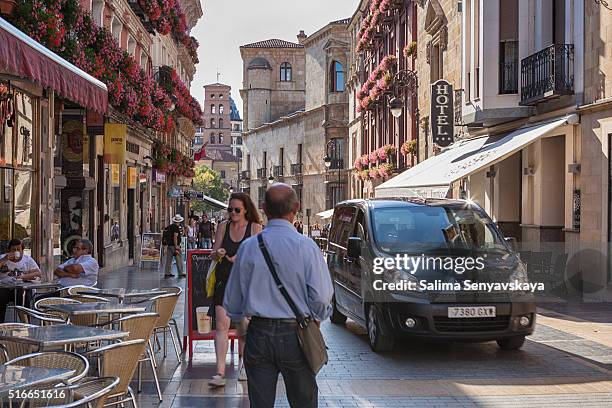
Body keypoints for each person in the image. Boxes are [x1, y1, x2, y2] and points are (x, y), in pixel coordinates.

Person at [224, 183, 333, 407]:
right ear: (297, 208)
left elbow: (232, 300)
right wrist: (315, 318)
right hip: (296, 334)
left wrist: (242, 321)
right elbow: (322, 297)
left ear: (264, 208)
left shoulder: (249, 247)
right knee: (304, 401)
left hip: (259, 333)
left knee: (260, 402)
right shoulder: (307, 247)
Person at [208, 192, 262, 387]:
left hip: (246, 283)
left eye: (236, 210)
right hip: (224, 281)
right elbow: (213, 254)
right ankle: (220, 372)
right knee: (221, 325)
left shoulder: (255, 228)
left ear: (246, 209)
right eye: (230, 209)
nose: (232, 213)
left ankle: (245, 367)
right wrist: (218, 253)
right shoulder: (223, 227)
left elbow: (261, 256)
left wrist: (243, 258)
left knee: (244, 327)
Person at [0, 239, 42, 323]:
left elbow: (38, 273)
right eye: (13, 250)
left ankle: (26, 323)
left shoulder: (27, 259)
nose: (16, 252)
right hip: (5, 288)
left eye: (18, 249)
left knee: (23, 295)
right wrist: (5, 259)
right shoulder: (2, 258)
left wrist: (24, 277)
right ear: (9, 250)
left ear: (22, 250)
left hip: (22, 288)